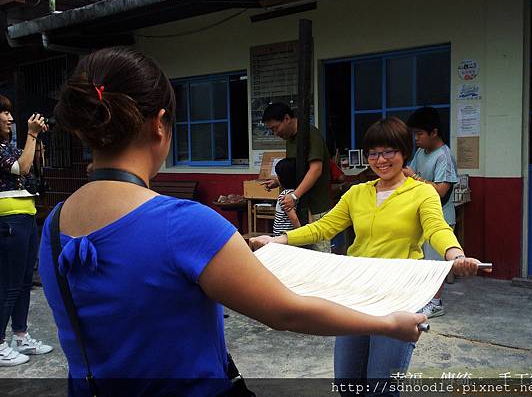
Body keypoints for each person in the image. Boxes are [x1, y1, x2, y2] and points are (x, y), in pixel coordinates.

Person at [38, 47, 427, 396]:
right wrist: (389, 322)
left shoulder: (54, 223)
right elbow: (285, 311)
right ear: (159, 122)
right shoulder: (184, 224)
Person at [250, 117, 489, 388]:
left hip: (400, 293)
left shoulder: (422, 193)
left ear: (404, 153)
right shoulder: (357, 193)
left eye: (389, 151)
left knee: (381, 387)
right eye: (373, 153)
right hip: (356, 293)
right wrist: (278, 240)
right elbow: (324, 227)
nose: (381, 159)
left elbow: (437, 229)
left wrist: (456, 256)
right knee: (348, 384)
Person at [0, 95, 53, 367]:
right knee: (8, 284)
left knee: (23, 281)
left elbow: (31, 170)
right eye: (4, 113)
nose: (10, 118)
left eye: (10, 113)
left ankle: (20, 336)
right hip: (8, 218)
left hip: (25, 214)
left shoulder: (6, 145)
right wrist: (30, 135)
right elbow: (22, 167)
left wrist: (37, 140)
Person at [404, 107, 458, 319]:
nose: (416, 138)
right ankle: (424, 299)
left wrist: (415, 177)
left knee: (435, 265)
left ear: (433, 132)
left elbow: (441, 190)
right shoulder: (420, 153)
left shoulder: (444, 156)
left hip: (440, 218)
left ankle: (436, 303)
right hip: (421, 217)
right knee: (423, 262)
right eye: (414, 134)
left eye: (419, 134)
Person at [261, 102, 331, 251]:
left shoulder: (309, 134)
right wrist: (279, 181)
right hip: (300, 206)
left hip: (315, 206)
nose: (275, 133)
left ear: (287, 118)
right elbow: (296, 171)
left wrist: (294, 196)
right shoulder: (290, 140)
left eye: (275, 128)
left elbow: (316, 169)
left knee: (320, 253)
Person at [272, 157, 301, 237]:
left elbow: (294, 219)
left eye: (277, 175)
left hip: (284, 236)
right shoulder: (295, 193)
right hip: (286, 235)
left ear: (281, 178)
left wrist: (302, 235)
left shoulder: (285, 196)